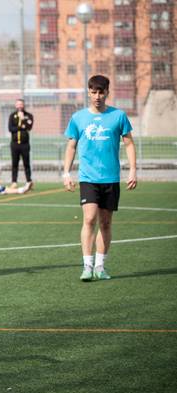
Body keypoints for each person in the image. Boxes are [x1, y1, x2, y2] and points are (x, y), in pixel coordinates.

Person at [63, 75, 137, 282]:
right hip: (88, 178)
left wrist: (133, 170)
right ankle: (87, 266)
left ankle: (100, 266)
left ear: (107, 92)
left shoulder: (118, 116)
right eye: (94, 92)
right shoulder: (78, 118)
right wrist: (66, 173)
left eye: (101, 92)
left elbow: (129, 143)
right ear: (88, 92)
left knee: (105, 222)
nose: (97, 96)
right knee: (89, 219)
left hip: (111, 178)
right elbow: (71, 146)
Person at [8, 98, 34, 190]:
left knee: (26, 163)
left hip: (25, 144)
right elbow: (11, 129)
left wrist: (23, 120)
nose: (19, 106)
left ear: (23, 105)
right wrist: (20, 126)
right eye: (18, 104)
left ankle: (29, 181)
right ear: (16, 105)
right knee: (14, 164)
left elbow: (29, 126)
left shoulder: (28, 115)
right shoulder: (12, 116)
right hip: (14, 144)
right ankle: (14, 182)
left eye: (21, 104)